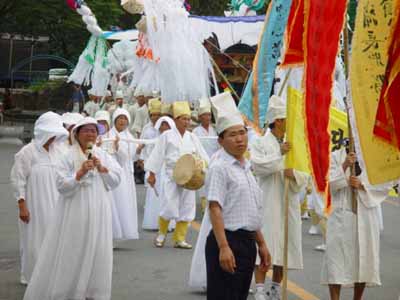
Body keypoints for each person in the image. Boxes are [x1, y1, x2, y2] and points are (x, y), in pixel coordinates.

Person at [22, 117, 122, 300]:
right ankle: (67, 291)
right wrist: (80, 173)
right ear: (76, 134)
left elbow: (116, 180)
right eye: (86, 130)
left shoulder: (104, 155)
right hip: (75, 209)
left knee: (98, 248)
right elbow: (61, 185)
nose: (90, 134)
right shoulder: (66, 155)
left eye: (94, 130)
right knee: (73, 248)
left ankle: (93, 292)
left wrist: (102, 168)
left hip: (99, 208)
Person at [205, 108, 271, 300]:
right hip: (228, 240)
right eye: (232, 135)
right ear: (220, 141)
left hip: (247, 242)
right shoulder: (220, 167)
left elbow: (251, 210)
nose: (240, 139)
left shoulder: (246, 167)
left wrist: (262, 244)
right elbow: (214, 208)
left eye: (242, 133)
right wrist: (224, 247)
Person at [250, 95, 309, 300]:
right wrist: (279, 156)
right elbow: (258, 166)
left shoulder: (294, 143)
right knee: (266, 247)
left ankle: (275, 288)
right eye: (285, 119)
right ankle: (259, 289)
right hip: (268, 201)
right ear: (277, 121)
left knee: (284, 249)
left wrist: (295, 174)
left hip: (288, 202)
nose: (287, 123)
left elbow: (304, 170)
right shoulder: (260, 143)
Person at [321, 147, 391, 300]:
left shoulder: (373, 156)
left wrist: (362, 185)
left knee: (363, 260)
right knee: (335, 260)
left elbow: (384, 184)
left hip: (365, 213)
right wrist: (345, 165)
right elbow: (328, 182)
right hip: (341, 213)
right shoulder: (336, 155)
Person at [10, 112, 68, 284]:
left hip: (57, 201)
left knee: (55, 238)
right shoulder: (27, 153)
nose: (53, 138)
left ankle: (52, 274)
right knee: (34, 240)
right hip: (35, 204)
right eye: (50, 134)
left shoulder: (59, 150)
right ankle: (33, 275)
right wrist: (22, 205)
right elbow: (17, 180)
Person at [145, 101, 209, 249]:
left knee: (187, 208)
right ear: (175, 120)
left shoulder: (192, 137)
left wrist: (206, 167)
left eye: (188, 119)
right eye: (183, 119)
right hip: (171, 175)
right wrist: (152, 174)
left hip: (189, 177)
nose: (186, 122)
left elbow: (203, 155)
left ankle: (180, 239)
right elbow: (157, 155)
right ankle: (161, 234)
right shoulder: (166, 136)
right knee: (168, 205)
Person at [108, 108, 139, 242]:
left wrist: (138, 150)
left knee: (126, 200)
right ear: (114, 120)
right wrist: (117, 147)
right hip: (115, 172)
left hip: (127, 173)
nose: (122, 121)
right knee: (117, 200)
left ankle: (126, 231)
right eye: (120, 118)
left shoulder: (130, 137)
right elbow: (117, 155)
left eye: (125, 119)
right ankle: (114, 233)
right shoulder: (109, 135)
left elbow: (132, 157)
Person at [192, 97, 219, 212]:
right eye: (205, 115)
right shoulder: (195, 132)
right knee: (203, 184)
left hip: (214, 160)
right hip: (202, 161)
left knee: (214, 183)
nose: (208, 117)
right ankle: (204, 206)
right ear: (200, 117)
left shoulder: (215, 130)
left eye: (209, 115)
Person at [140, 98, 162, 230]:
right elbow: (142, 145)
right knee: (151, 191)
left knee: (162, 191)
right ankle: (152, 220)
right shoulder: (146, 129)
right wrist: (141, 160)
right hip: (149, 163)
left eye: (158, 115)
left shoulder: (164, 128)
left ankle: (163, 220)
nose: (155, 117)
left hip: (161, 165)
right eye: (153, 115)